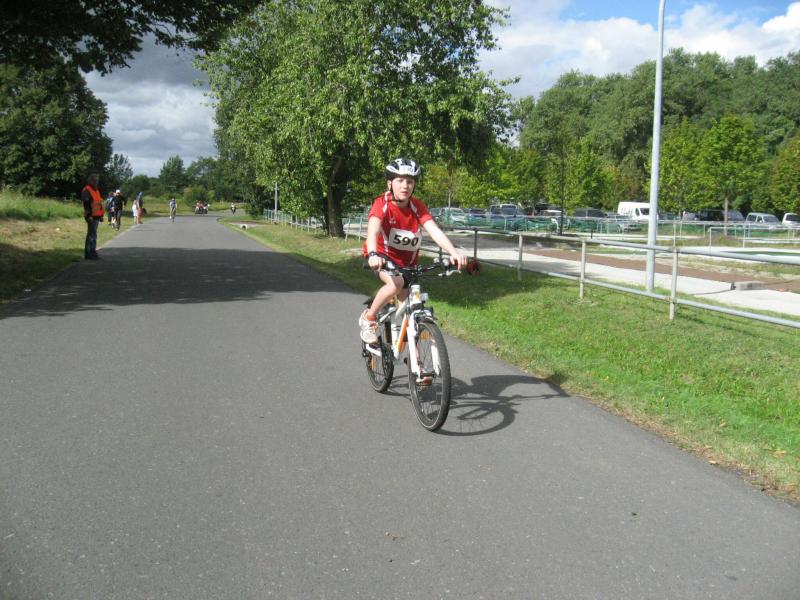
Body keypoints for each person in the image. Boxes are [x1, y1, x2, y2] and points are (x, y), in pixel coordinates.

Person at [359, 157, 467, 344]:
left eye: (410, 181)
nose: (405, 186)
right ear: (390, 183)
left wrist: (453, 252)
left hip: (408, 263)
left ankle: (414, 359)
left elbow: (434, 230)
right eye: (400, 180)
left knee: (410, 314)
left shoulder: (417, 205)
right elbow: (373, 230)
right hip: (383, 258)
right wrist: (373, 254)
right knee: (395, 284)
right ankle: (368, 319)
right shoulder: (382, 203)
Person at [81, 174, 104, 260]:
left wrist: (101, 215)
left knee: (93, 234)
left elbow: (99, 203)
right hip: (91, 216)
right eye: (94, 180)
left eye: (97, 181)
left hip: (97, 215)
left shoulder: (96, 190)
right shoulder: (87, 190)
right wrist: (89, 215)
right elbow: (86, 204)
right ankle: (90, 253)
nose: (96, 182)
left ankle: (91, 253)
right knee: (92, 235)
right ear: (90, 181)